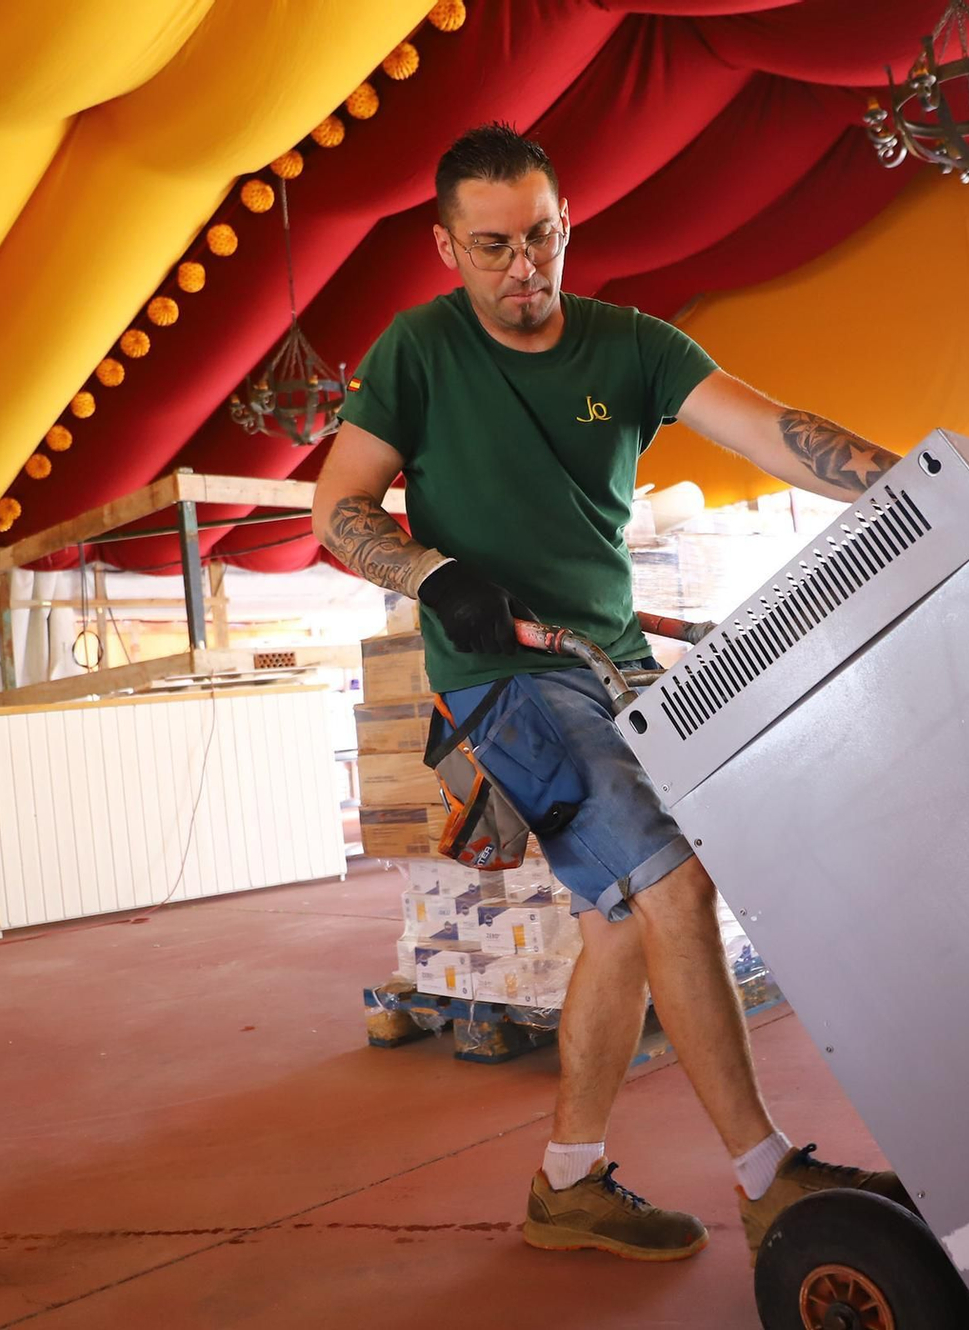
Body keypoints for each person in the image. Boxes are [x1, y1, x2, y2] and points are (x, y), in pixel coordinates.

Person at [313, 123, 915, 1264]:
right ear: (447, 247)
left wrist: (921, 483)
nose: (521, 265)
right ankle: (765, 1172)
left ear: (564, 225)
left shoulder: (629, 345)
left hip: (612, 666)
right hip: (503, 678)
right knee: (673, 885)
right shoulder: (419, 351)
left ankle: (568, 1180)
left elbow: (772, 430)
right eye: (491, 245)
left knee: (621, 926)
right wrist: (436, 575)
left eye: (540, 235)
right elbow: (336, 508)